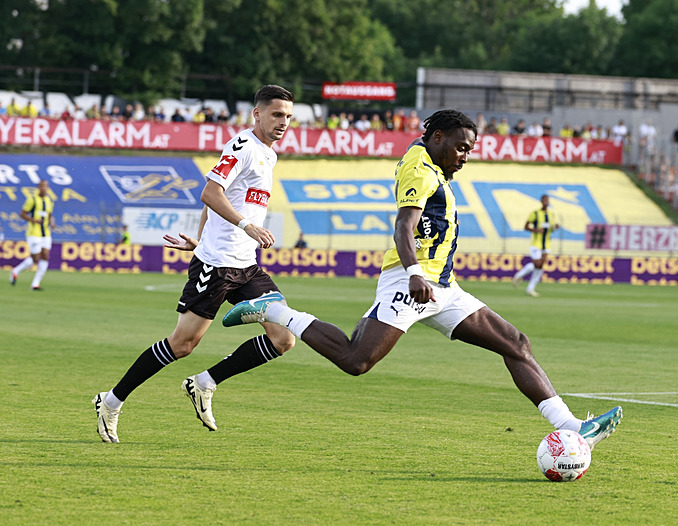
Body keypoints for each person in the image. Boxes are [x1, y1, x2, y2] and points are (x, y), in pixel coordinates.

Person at [222, 110, 622, 450]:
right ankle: (273, 310)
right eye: (461, 147)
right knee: (356, 360)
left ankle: (573, 429)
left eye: (470, 150)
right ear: (437, 137)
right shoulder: (420, 168)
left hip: (442, 287)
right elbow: (403, 226)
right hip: (413, 282)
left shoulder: (429, 159)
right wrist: (414, 274)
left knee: (515, 343)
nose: (465, 157)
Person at [92, 85, 297, 443]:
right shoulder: (244, 146)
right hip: (216, 266)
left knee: (283, 338)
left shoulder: (269, 154)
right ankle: (110, 402)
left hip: (246, 267)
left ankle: (205, 382)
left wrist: (200, 237)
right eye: (277, 114)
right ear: (258, 114)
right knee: (183, 344)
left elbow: (215, 201)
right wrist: (245, 226)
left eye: (289, 117)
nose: (283, 122)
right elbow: (209, 192)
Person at [10, 180, 55, 290]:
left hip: (46, 233)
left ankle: (35, 284)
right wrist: (33, 220)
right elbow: (22, 214)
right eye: (42, 186)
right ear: (38, 187)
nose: (44, 188)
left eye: (46, 186)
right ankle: (16, 270)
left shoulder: (49, 200)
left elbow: (49, 215)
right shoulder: (32, 199)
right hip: (34, 233)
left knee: (45, 256)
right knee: (35, 260)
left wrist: (52, 223)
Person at [511, 194, 559, 297]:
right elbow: (526, 226)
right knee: (537, 265)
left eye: (548, 200)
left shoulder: (551, 214)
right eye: (545, 200)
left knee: (540, 267)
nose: (546, 201)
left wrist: (555, 228)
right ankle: (519, 275)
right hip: (536, 243)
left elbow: (551, 229)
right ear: (541, 201)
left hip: (546, 243)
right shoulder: (535, 213)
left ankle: (530, 289)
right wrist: (536, 230)